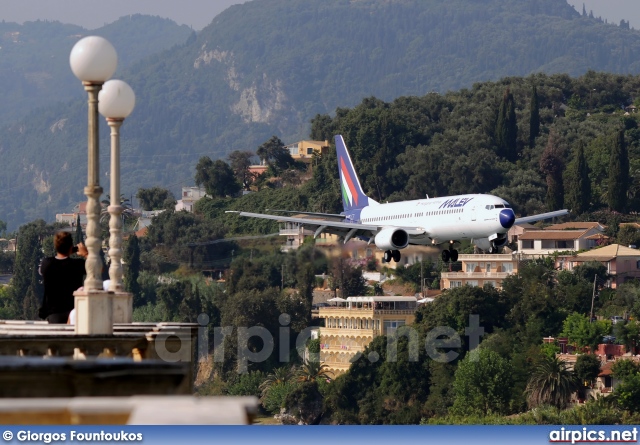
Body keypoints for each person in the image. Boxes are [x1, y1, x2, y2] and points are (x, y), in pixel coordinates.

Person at [38, 231, 88, 323]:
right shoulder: (77, 265)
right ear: (71, 246)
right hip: (73, 313)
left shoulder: (47, 263)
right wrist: (86, 254)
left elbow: (42, 271)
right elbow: (98, 269)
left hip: (53, 314)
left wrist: (68, 251)